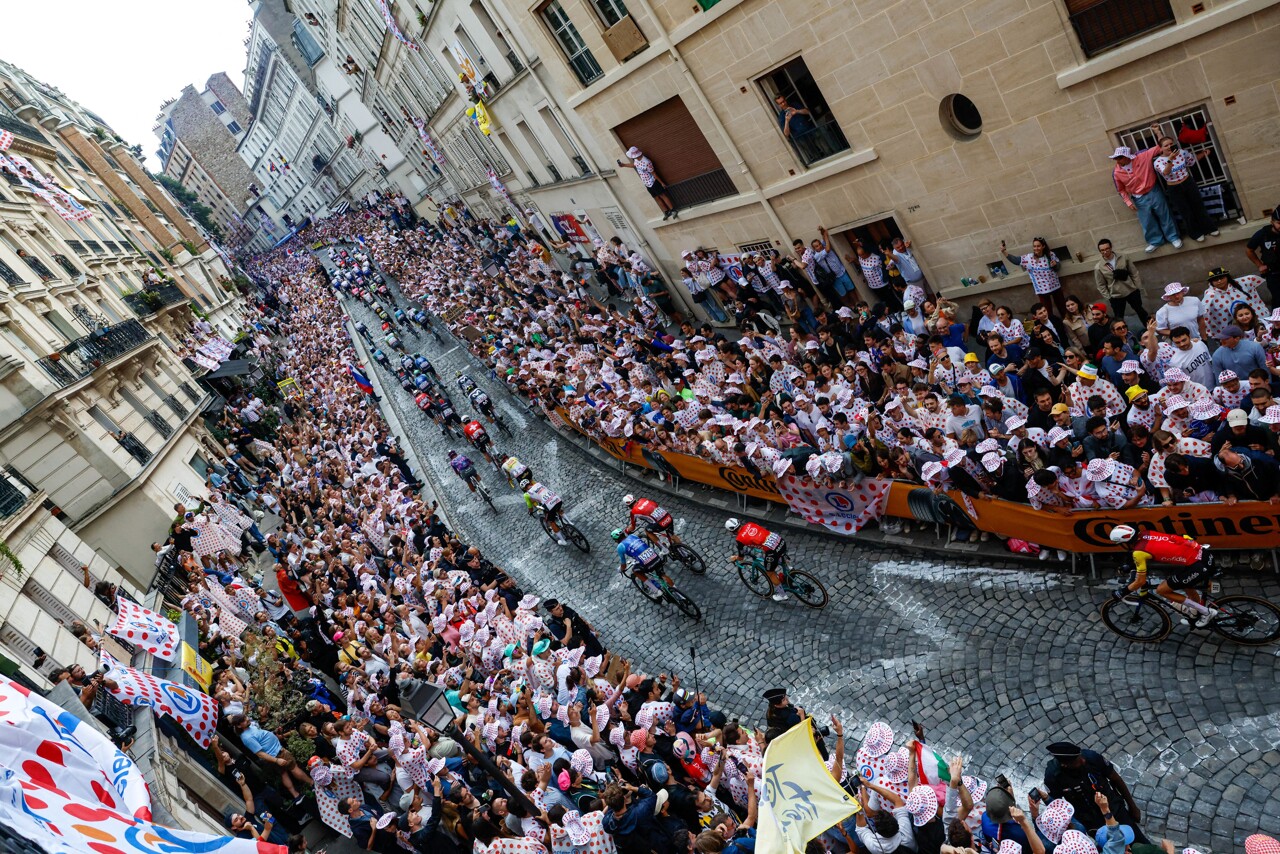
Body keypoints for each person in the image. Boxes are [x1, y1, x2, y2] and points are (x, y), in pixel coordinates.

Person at [1111, 524, 1218, 628]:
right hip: (1202, 554)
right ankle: (1196, 612)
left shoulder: (1138, 553)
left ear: (1125, 542)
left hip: (1198, 566)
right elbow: (1153, 549)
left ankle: (1206, 612)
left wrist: (1122, 592)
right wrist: (1130, 566)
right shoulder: (1146, 533)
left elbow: (1140, 581)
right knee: (1187, 585)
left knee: (1162, 590)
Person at [1108, 142, 1182, 253]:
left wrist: (1158, 133)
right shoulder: (1116, 172)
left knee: (1164, 214)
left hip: (1153, 190)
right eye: (1115, 158)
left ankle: (1173, 237)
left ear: (1127, 156)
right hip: (1138, 198)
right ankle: (1155, 241)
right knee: (1147, 221)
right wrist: (1128, 201)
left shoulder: (1142, 156)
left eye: (1119, 157)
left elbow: (1159, 147)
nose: (1117, 160)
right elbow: (1121, 190)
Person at [1152, 134, 1217, 242]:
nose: (1169, 147)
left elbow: (1192, 161)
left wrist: (1204, 153)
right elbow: (1166, 172)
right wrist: (1170, 160)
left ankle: (1210, 228)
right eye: (1165, 145)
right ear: (1161, 148)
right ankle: (1195, 233)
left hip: (1187, 181)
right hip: (1174, 187)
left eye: (1171, 144)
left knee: (1198, 205)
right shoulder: (1158, 162)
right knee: (1185, 211)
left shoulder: (1182, 153)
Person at [724, 517, 789, 602]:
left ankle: (782, 595)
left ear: (731, 531)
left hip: (772, 551)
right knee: (779, 558)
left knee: (770, 573)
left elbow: (741, 557)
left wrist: (735, 558)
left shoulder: (739, 539)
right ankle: (789, 570)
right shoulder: (749, 524)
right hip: (779, 540)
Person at [1003, 237, 1065, 316]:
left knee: (1063, 308)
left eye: (1038, 246)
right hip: (1042, 290)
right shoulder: (1029, 258)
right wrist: (1004, 252)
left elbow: (1058, 267)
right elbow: (1016, 260)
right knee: (1047, 313)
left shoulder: (1051, 255)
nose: (1036, 248)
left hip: (1055, 286)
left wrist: (1055, 265)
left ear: (1043, 246)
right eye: (1034, 246)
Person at [1093, 238, 1148, 325]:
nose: (1105, 252)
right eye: (1102, 250)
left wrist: (1137, 287)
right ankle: (1122, 334)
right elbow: (1101, 285)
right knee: (1119, 317)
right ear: (1100, 251)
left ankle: (1150, 328)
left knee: (1140, 310)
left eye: (1107, 249)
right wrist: (1109, 297)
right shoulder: (1098, 267)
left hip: (1131, 290)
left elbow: (1134, 273)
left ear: (1111, 248)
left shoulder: (1123, 257)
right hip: (1116, 295)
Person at [618, 146, 677, 220]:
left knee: (662, 195)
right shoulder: (636, 160)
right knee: (656, 197)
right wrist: (624, 165)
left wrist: (661, 183)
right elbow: (634, 165)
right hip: (646, 183)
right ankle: (666, 212)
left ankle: (673, 210)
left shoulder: (647, 162)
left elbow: (653, 173)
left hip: (653, 181)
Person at [611, 528, 673, 597]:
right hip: (655, 556)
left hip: (647, 564)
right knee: (662, 575)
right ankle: (677, 592)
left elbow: (623, 565)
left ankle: (656, 590)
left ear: (616, 540)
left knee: (635, 571)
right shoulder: (632, 536)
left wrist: (620, 569)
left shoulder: (620, 547)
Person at [1244, 206, 1280, 302]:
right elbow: (1249, 250)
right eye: (1279, 223)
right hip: (1274, 274)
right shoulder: (1262, 234)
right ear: (1272, 222)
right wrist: (1259, 265)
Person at [524, 480, 568, 546]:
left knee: (551, 522)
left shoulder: (527, 494)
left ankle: (563, 540)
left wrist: (531, 512)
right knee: (558, 509)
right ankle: (569, 522)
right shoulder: (538, 484)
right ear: (530, 482)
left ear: (524, 489)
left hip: (548, 504)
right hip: (556, 498)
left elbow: (531, 505)